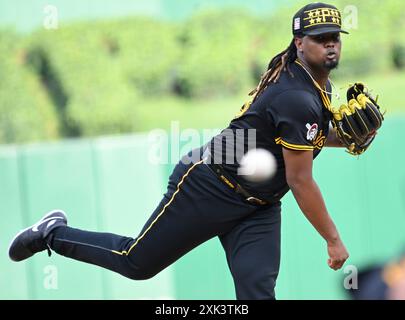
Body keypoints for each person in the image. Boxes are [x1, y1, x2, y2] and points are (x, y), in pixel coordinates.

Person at [9, 2, 351, 300]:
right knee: (136, 263)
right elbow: (300, 179)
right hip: (209, 185)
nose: (330, 45)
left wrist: (347, 137)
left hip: (258, 204)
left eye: (334, 37)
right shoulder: (296, 96)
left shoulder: (315, 85)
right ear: (299, 43)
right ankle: (51, 233)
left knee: (257, 293)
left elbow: (299, 140)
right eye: (320, 38)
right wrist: (332, 239)